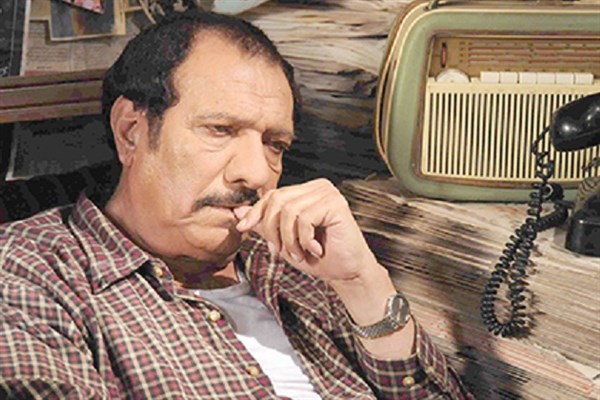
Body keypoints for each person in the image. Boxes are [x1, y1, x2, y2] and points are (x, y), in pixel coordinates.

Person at [0, 10, 473, 399]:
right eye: (220, 130)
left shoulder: (304, 264)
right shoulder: (30, 270)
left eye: (275, 144)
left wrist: (363, 284)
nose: (256, 173)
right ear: (131, 131)